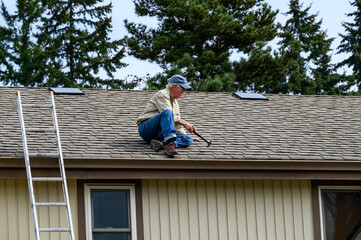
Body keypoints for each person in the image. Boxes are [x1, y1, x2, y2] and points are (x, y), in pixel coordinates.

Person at [137, 75, 199, 156]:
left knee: (188, 139)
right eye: (183, 88)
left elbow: (177, 126)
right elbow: (168, 115)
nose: (184, 91)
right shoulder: (162, 94)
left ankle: (162, 144)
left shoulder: (175, 103)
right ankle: (169, 144)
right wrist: (185, 123)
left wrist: (184, 136)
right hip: (146, 128)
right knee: (168, 112)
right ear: (175, 86)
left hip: (160, 134)